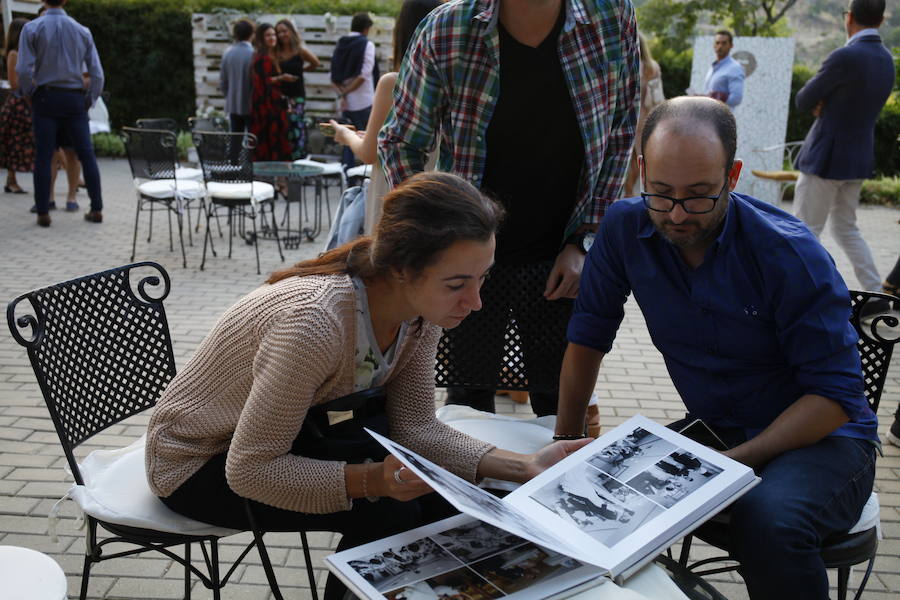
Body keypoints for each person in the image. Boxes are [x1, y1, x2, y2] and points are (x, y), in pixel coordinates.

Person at [145, 171, 591, 600]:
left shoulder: (420, 313)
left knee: (447, 501)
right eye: (457, 284)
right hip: (194, 461)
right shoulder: (314, 325)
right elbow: (250, 470)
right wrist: (372, 480)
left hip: (281, 435)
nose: (475, 303)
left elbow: (416, 428)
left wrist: (526, 466)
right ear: (401, 269)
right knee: (389, 509)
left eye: (482, 278)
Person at [555, 96, 878, 600]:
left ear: (733, 175)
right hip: (716, 431)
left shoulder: (788, 253)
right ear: (642, 171)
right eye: (660, 193)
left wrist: (734, 462)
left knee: (768, 521)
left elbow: (836, 398)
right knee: (582, 491)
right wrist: (566, 440)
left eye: (699, 195)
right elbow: (588, 337)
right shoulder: (623, 227)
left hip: (824, 443)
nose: (677, 214)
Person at [379, 0, 640, 419]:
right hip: (467, 263)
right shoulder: (448, 29)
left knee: (563, 411)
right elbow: (400, 142)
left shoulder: (609, 15)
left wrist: (584, 241)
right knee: (466, 409)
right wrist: (436, 241)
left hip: (562, 257)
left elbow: (623, 129)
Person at [792, 0, 894, 307]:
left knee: (804, 230)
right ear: (881, 19)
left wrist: (823, 103)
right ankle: (876, 294)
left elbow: (803, 98)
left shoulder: (845, 56)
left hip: (825, 157)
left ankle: (801, 297)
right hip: (858, 157)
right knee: (847, 229)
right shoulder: (886, 58)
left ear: (848, 18)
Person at [329, 0, 441, 234]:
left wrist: (346, 135)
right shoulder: (459, 85)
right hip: (443, 199)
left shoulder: (394, 82)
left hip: (395, 198)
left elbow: (369, 153)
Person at [16, 0, 104, 227]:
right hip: (74, 98)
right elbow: (97, 73)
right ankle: (96, 208)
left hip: (46, 97)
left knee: (44, 155)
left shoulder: (32, 28)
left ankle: (43, 212)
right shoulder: (82, 30)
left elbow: (23, 69)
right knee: (86, 153)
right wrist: (89, 99)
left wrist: (29, 93)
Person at [331, 12, 378, 170]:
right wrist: (348, 92)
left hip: (345, 102)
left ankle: (347, 176)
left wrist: (342, 93)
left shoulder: (341, 43)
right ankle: (364, 178)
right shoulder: (367, 44)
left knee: (346, 141)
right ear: (366, 29)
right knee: (368, 142)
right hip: (364, 101)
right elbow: (364, 74)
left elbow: (333, 73)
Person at [623, 31, 664, 198]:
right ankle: (640, 193)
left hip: (628, 116)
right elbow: (657, 97)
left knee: (629, 158)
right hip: (646, 117)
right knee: (640, 158)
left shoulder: (628, 65)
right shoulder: (652, 67)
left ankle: (627, 193)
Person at [275, 18, 321, 160]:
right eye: (278, 32)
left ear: (291, 31)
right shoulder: (276, 52)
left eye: (284, 31)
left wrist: (302, 71)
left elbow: (316, 63)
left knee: (296, 126)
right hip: (280, 96)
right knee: (282, 127)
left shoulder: (299, 50)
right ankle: (283, 158)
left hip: (297, 95)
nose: (282, 35)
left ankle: (297, 158)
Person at [0, 18, 34, 196]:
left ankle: (11, 180)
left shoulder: (22, 53)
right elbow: (14, 83)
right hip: (18, 104)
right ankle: (12, 180)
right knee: (15, 143)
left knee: (17, 143)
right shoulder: (14, 54)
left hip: (22, 103)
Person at [249, 22, 291, 161]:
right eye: (268, 35)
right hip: (267, 107)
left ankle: (278, 179)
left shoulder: (270, 55)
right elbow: (263, 82)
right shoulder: (263, 58)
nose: (272, 38)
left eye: (273, 34)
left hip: (272, 105)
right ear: (261, 38)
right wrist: (281, 78)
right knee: (271, 141)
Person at [219, 19, 255, 133]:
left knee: (235, 143)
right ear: (252, 34)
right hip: (252, 105)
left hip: (233, 105)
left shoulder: (227, 53)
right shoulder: (255, 54)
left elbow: (223, 82)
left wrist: (230, 97)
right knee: (252, 142)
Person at [702, 29, 743, 109]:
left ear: (731, 46)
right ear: (714, 45)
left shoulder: (734, 68)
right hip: (708, 115)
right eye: (717, 43)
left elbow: (737, 98)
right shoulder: (713, 66)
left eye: (724, 43)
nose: (720, 46)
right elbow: (710, 94)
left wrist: (718, 98)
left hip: (722, 118)